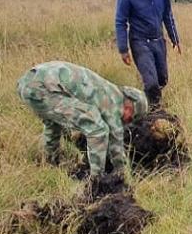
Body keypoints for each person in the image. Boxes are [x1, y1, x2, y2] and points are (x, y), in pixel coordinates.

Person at [17, 61, 149, 191]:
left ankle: (49, 163)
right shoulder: (115, 102)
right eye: (131, 117)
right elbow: (116, 145)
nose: (127, 121)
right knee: (98, 129)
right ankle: (97, 180)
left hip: (28, 84)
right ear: (130, 105)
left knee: (53, 123)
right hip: (42, 88)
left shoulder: (107, 89)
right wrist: (123, 176)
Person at [115, 0, 181, 108]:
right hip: (139, 41)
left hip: (158, 40)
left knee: (162, 79)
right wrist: (123, 49)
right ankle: (153, 111)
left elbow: (167, 15)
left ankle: (151, 101)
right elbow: (120, 22)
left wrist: (174, 39)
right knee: (151, 83)